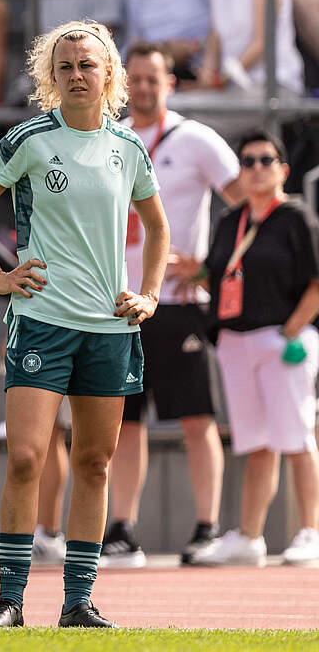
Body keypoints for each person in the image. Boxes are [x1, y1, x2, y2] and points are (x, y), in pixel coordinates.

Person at [0, 20, 167, 629]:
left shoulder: (129, 149)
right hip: (41, 320)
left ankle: (78, 601)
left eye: (88, 65)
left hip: (109, 326)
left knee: (95, 464)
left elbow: (157, 226)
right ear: (52, 77)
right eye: (66, 66)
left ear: (109, 75)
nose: (77, 75)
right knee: (25, 457)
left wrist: (149, 294)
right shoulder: (29, 140)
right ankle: (11, 600)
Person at [103, 41, 241, 568]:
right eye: (133, 79)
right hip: (117, 302)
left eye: (151, 79)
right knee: (124, 421)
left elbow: (248, 205)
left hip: (177, 302)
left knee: (195, 416)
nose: (141, 88)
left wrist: (207, 266)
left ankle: (207, 526)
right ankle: (122, 527)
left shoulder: (195, 138)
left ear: (170, 84)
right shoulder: (107, 138)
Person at [186, 131, 319, 567]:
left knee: (297, 437)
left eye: (266, 160)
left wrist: (291, 331)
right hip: (236, 343)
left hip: (282, 340)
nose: (256, 168)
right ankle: (249, 536)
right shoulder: (231, 221)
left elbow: (317, 282)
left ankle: (311, 531)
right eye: (248, 161)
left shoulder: (297, 217)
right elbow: (223, 276)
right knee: (256, 442)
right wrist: (196, 272)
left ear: (283, 169)